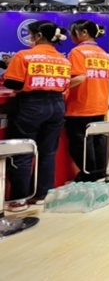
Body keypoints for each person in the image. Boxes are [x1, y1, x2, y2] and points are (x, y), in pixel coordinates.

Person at [2, 21, 70, 212]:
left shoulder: (24, 56)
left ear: (39, 35)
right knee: (47, 152)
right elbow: (65, 85)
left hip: (30, 105)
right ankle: (42, 194)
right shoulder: (63, 60)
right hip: (57, 104)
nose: (29, 38)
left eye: (30, 34)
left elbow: (13, 83)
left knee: (22, 151)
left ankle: (19, 199)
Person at [65, 20, 109, 182]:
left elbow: (79, 77)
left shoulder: (78, 52)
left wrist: (61, 85)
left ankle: (88, 174)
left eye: (72, 32)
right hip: (100, 103)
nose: (70, 36)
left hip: (81, 104)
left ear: (83, 32)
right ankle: (100, 172)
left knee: (81, 142)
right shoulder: (103, 53)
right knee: (97, 139)